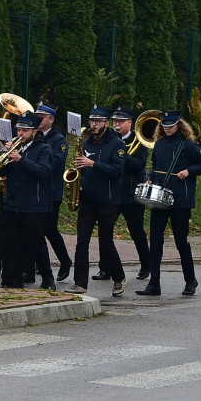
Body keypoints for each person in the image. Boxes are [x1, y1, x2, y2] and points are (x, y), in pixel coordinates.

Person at [136, 110, 201, 296]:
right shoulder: (159, 145)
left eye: (171, 126)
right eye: (165, 126)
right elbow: (156, 166)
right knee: (155, 241)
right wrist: (150, 178)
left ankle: (190, 280)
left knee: (181, 242)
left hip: (181, 200)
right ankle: (154, 284)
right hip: (160, 198)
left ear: (178, 125)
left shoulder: (188, 145)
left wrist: (189, 171)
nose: (168, 129)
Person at [65, 105, 128, 296]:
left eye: (97, 121)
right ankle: (80, 283)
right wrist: (80, 182)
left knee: (105, 242)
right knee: (81, 241)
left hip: (108, 200)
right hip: (88, 200)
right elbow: (82, 168)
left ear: (106, 123)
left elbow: (117, 171)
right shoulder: (86, 143)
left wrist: (93, 163)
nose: (93, 124)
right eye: (91, 121)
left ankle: (119, 278)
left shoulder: (117, 145)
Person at [0, 112, 55, 289]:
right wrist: (3, 159)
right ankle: (10, 279)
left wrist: (20, 160)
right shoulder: (15, 147)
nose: (20, 134)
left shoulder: (44, 149)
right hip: (13, 202)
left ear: (35, 131)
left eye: (24, 131)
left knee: (36, 244)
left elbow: (43, 172)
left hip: (34, 205)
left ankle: (47, 277)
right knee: (9, 243)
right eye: (19, 130)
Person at [31, 102, 73, 283]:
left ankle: (65, 260)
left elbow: (56, 164)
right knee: (36, 231)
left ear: (51, 120)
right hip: (35, 191)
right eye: (37, 117)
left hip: (52, 191)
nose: (39, 120)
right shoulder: (35, 136)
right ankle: (40, 266)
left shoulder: (59, 140)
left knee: (50, 230)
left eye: (42, 117)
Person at [113, 106, 151, 280]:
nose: (117, 124)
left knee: (136, 231)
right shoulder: (110, 139)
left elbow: (138, 165)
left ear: (130, 123)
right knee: (106, 232)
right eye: (115, 121)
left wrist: (121, 152)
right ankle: (106, 267)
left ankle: (146, 265)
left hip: (131, 193)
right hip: (113, 193)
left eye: (121, 121)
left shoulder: (141, 140)